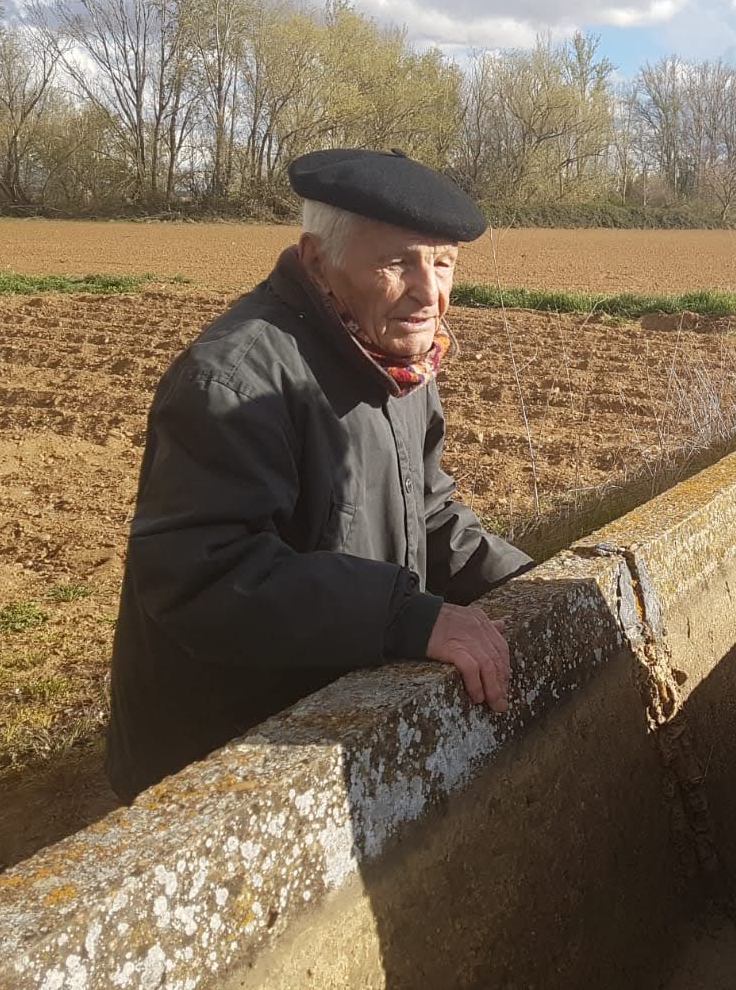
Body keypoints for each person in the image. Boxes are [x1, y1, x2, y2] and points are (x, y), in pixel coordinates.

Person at [105, 149, 532, 803]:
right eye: (397, 263)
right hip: (222, 752)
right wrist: (403, 617)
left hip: (330, 699)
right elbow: (204, 576)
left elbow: (432, 510)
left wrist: (536, 590)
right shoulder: (234, 380)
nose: (429, 292)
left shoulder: (396, 356)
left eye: (442, 262)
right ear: (315, 261)